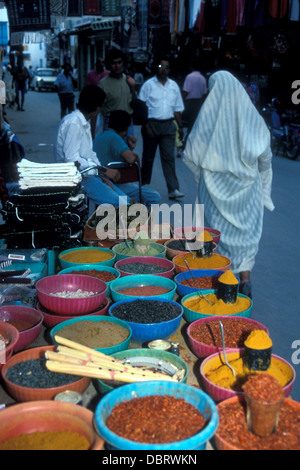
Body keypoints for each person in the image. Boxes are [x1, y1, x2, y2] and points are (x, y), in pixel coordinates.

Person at [183, 71, 275, 299]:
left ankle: (223, 283)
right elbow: (265, 158)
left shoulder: (208, 117)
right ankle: (245, 281)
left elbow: (192, 154)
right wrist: (263, 187)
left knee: (218, 236)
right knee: (246, 239)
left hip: (214, 191)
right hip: (247, 191)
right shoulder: (253, 119)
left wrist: (207, 173)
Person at [54, 85, 137, 208]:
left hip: (88, 175)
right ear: (98, 108)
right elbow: (71, 159)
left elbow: (90, 155)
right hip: (77, 178)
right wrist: (101, 171)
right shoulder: (74, 123)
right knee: (123, 205)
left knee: (127, 201)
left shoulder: (83, 123)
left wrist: (102, 174)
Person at [93, 110, 161, 208]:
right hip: (111, 182)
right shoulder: (115, 138)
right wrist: (134, 154)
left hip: (99, 181)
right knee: (154, 197)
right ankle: (144, 222)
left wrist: (129, 149)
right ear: (126, 128)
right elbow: (130, 159)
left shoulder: (100, 137)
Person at [138, 58, 185, 200]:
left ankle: (173, 189)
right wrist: (146, 126)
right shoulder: (148, 85)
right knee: (148, 157)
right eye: (160, 66)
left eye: (166, 67)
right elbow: (141, 106)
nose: (163, 69)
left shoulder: (173, 86)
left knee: (168, 158)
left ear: (169, 70)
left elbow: (177, 109)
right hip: (151, 124)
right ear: (156, 68)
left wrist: (180, 127)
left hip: (168, 126)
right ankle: (142, 188)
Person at [98, 49, 136, 141]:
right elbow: (96, 109)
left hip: (127, 123)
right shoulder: (103, 84)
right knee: (112, 153)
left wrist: (133, 87)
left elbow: (134, 103)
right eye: (113, 63)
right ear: (108, 65)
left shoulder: (128, 80)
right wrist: (92, 135)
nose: (117, 66)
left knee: (127, 152)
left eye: (119, 62)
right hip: (111, 123)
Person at [181, 58, 207, 144]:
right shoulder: (203, 78)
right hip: (198, 102)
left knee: (183, 121)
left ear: (191, 67)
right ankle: (188, 141)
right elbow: (204, 93)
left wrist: (182, 101)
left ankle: (182, 140)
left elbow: (186, 91)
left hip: (189, 102)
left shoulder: (190, 77)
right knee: (193, 123)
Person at [86, 57, 110, 139]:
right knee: (95, 124)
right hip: (95, 103)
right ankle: (92, 140)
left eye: (103, 62)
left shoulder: (108, 74)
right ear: (96, 64)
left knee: (105, 124)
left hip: (106, 103)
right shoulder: (91, 74)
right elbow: (88, 89)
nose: (101, 64)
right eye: (99, 62)